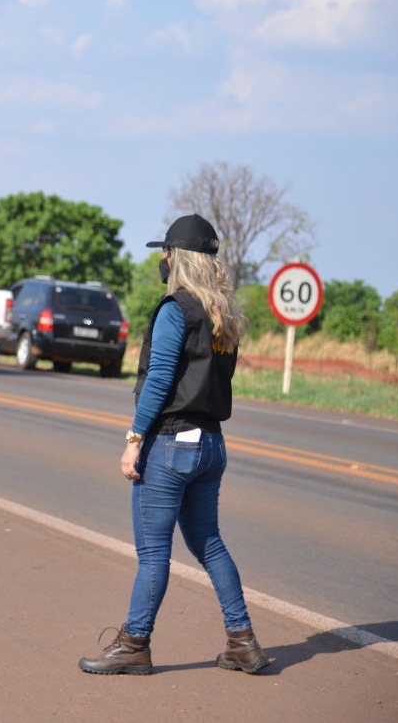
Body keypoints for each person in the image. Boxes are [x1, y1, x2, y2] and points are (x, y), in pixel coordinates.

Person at [78, 213, 268, 677]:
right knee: (210, 545)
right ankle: (242, 642)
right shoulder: (224, 316)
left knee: (153, 553)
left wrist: (134, 438)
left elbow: (162, 378)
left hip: (171, 444)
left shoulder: (175, 310)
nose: (161, 259)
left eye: (164, 251)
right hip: (211, 445)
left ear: (176, 258)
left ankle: (134, 644)